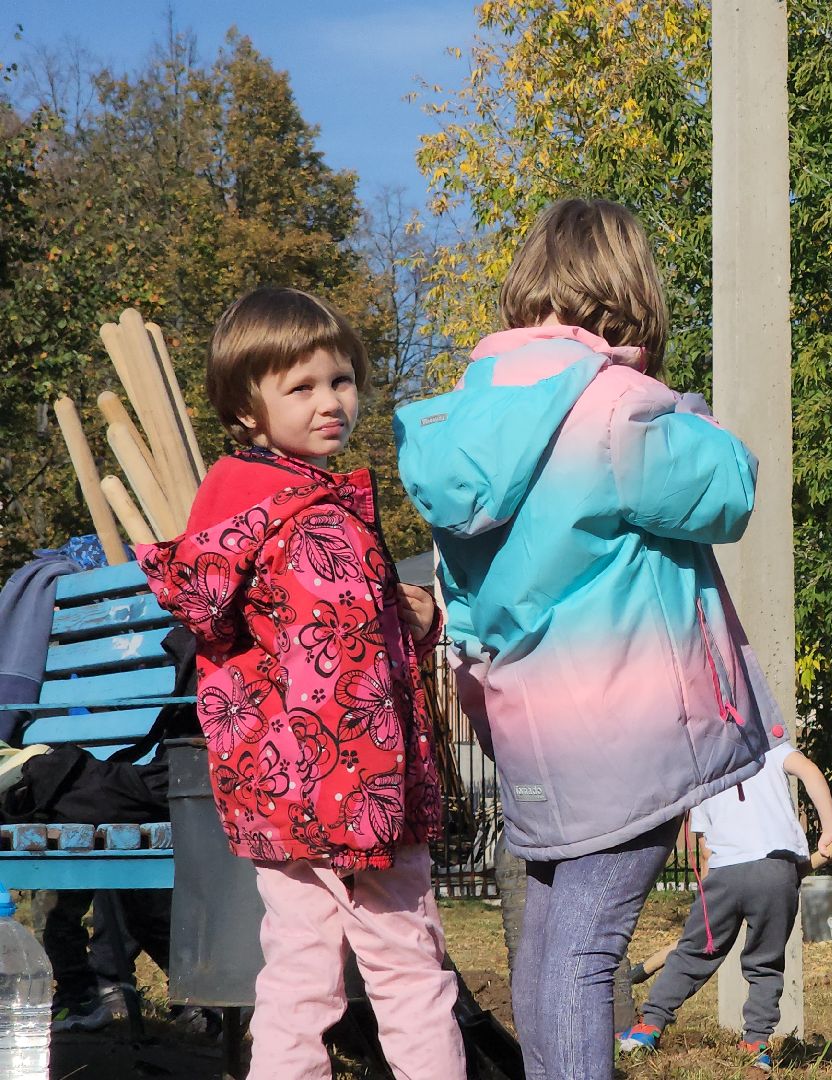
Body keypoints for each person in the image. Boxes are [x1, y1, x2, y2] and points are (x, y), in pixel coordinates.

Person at [395, 197, 769, 1080]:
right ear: (628, 287)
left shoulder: (471, 417)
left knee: (552, 944)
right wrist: (687, 406)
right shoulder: (618, 411)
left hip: (529, 728)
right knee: (588, 950)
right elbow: (732, 489)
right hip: (627, 728)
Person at [137, 287, 464, 1079]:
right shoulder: (311, 515)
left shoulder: (233, 510)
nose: (332, 402)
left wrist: (402, 615)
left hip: (281, 794)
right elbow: (346, 666)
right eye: (303, 387)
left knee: (295, 976)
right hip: (356, 794)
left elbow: (295, 639)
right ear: (246, 407)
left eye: (342, 379)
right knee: (408, 970)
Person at [619, 737, 832, 1070]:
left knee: (694, 952)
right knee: (764, 963)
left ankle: (649, 1025)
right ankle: (756, 1044)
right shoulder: (768, 746)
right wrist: (831, 827)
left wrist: (707, 905)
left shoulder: (704, 771)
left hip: (724, 876)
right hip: (775, 871)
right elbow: (810, 772)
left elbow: (707, 850)